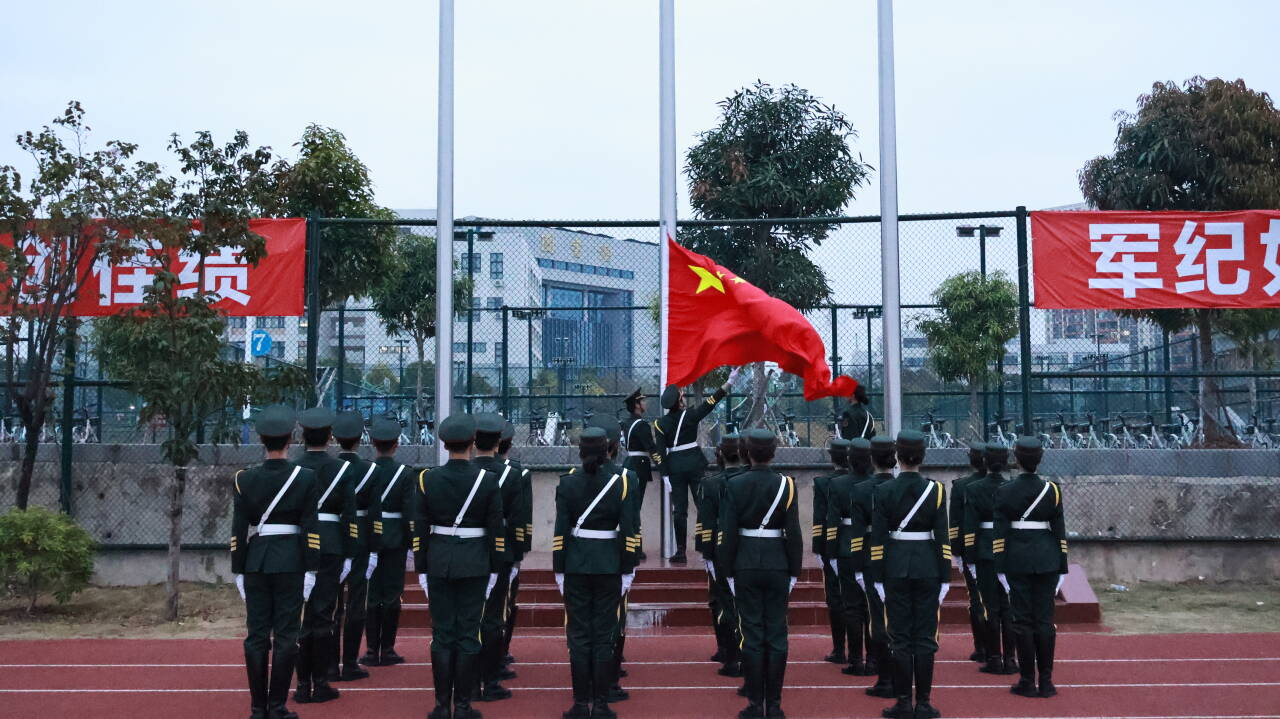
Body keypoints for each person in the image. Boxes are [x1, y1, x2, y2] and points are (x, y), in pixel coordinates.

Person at [412, 414, 506, 719]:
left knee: (442, 634)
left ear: (443, 444)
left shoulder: (427, 479)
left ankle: (442, 706)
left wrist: (421, 566)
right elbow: (496, 530)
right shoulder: (487, 481)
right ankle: (463, 706)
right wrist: (495, 567)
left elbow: (420, 528)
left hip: (439, 560)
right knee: (467, 633)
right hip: (475, 562)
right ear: (472, 442)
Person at [231, 405, 321, 719]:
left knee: (257, 636)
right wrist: (312, 567)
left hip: (256, 561)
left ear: (261, 440)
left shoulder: (244, 479)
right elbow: (310, 527)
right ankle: (278, 707)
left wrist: (238, 569)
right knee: (286, 636)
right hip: (292, 560)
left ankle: (258, 709)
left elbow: (238, 530)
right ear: (291, 439)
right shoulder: (305, 478)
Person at [553, 427, 640, 719]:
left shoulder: (567, 483)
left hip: (576, 565)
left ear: (580, 452)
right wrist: (628, 568)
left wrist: (559, 568)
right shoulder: (622, 482)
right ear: (607, 451)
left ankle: (581, 704)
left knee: (578, 636)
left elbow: (560, 530)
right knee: (604, 636)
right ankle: (601, 705)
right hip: (609, 565)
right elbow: (629, 529)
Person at [718, 429, 802, 719]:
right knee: (777, 634)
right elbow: (794, 532)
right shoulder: (787, 485)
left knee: (752, 634)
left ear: (747, 453)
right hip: (778, 563)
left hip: (745, 563)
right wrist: (794, 570)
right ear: (774, 452)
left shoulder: (734, 484)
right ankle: (774, 705)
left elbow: (727, 533)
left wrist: (727, 570)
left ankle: (755, 704)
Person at [867, 431, 950, 719]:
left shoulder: (883, 491)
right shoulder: (936, 490)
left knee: (900, 637)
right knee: (925, 638)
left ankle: (903, 703)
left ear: (897, 457)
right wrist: (945, 576)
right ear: (922, 456)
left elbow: (878, 539)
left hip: (895, 567)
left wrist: (877, 576)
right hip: (928, 567)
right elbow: (942, 538)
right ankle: (924, 703)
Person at [292, 407, 358, 705]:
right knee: (323, 615)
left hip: (298, 544)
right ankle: (319, 683)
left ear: (302, 435)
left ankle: (301, 684)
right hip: (331, 544)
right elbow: (349, 515)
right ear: (330, 437)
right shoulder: (342, 469)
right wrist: (350, 552)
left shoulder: (293, 467)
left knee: (300, 614)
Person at [998, 437, 1068, 699]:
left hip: (1017, 558)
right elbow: (1059, 531)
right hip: (1047, 558)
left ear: (1016, 459)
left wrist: (999, 566)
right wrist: (1062, 565)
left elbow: (1000, 533)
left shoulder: (1005, 491)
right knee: (1045, 621)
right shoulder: (1052, 490)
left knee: (1023, 621)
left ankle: (1027, 680)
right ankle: (1046, 682)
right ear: (1040, 459)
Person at [655, 368, 739, 563]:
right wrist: (729, 383)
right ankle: (706, 547)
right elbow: (711, 402)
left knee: (680, 510)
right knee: (703, 506)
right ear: (680, 401)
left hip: (674, 468)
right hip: (694, 463)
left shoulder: (660, 424)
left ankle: (681, 551)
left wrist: (664, 474)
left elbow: (660, 453)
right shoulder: (690, 415)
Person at [471, 413, 523, 702]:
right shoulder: (511, 475)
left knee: (469, 617)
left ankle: (467, 681)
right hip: (500, 552)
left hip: (466, 550)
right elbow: (516, 520)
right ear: (499, 442)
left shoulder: (465, 471)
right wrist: (515, 555)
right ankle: (489, 681)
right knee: (493, 618)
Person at [362, 416, 416, 667]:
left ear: (373, 443)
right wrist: (411, 543)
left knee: (372, 594)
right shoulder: (405, 473)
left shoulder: (365, 470)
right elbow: (409, 512)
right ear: (396, 444)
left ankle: (371, 649)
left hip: (369, 537)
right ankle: (388, 648)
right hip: (396, 538)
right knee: (393, 594)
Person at [963, 443, 1019, 676]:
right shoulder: (1012, 487)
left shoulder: (974, 489)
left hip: (985, 551)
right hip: (1008, 550)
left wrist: (969, 557)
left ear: (984, 461)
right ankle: (1011, 658)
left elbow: (970, 526)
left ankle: (995, 658)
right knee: (1009, 607)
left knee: (991, 607)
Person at [331, 409, 378, 682]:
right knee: (356, 602)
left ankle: (328, 664)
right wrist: (374, 547)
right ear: (360, 438)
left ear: (335, 438)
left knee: (331, 602)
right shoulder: (370, 470)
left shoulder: (328, 468)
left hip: (333, 535)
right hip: (360, 538)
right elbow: (374, 514)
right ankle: (349, 662)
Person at [825, 437, 877, 678]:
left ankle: (856, 659)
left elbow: (832, 522)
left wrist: (830, 552)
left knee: (852, 606)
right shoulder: (878, 484)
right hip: (874, 549)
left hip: (846, 548)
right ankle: (874, 659)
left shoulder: (838, 484)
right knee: (872, 607)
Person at [697, 433, 745, 679]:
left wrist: (706, 551)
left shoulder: (710, 484)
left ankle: (728, 651)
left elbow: (705, 522)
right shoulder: (748, 480)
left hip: (719, 549)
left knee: (721, 601)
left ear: (720, 455)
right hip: (747, 548)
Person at [812, 438, 850, 665]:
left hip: (832, 545)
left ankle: (839, 649)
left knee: (835, 598)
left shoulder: (823, 483)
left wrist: (819, 548)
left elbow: (820, 520)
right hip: (860, 546)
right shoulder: (865, 480)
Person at [950, 442, 988, 665]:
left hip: (970, 548)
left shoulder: (961, 486)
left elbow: (955, 523)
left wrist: (956, 550)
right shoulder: (1005, 485)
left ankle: (981, 647)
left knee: (976, 598)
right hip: (1000, 549)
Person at [498, 420, 531, 673]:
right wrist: (521, 547)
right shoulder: (519, 473)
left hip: (478, 546)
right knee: (506, 601)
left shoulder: (475, 470)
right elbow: (523, 515)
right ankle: (501, 650)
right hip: (508, 545)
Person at [620, 388, 665, 562]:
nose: (645, 403)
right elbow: (651, 448)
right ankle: (636, 549)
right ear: (637, 405)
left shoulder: (626, 423)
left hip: (629, 464)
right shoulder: (642, 425)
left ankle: (632, 546)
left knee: (630, 507)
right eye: (642, 401)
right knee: (635, 508)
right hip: (639, 466)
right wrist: (663, 468)